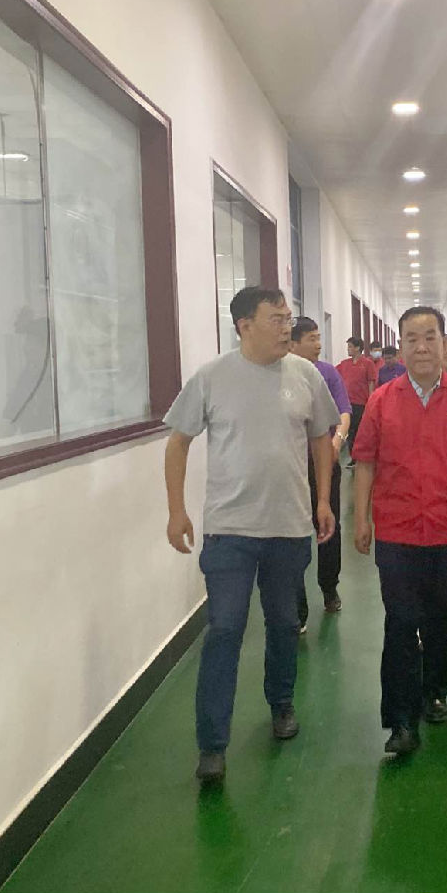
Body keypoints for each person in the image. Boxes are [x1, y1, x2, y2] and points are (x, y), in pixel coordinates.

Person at [163, 287, 341, 783]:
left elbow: (321, 438)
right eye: (276, 319)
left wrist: (323, 500)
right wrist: (176, 510)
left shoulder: (305, 375)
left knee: (284, 622)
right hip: (229, 531)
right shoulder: (212, 377)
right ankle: (212, 744)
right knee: (224, 628)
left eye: (288, 318)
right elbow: (177, 443)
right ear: (244, 325)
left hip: (288, 527)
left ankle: (281, 703)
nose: (288, 327)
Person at [352, 306, 447, 755]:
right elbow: (365, 462)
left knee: (440, 619)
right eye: (412, 338)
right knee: (400, 621)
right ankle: (400, 721)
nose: (421, 347)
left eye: (430, 337)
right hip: (397, 531)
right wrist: (360, 519)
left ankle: (435, 691)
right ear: (400, 347)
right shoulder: (383, 399)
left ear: (445, 343)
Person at [291, 317, 352, 626]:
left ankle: (329, 587)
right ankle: (297, 606)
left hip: (324, 465)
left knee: (328, 526)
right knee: (292, 535)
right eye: (311, 338)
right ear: (293, 343)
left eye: (319, 337)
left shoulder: (327, 373)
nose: (318, 344)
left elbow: (344, 411)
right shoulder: (280, 375)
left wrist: (336, 440)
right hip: (291, 470)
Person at [336, 336, 378, 468]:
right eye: (348, 346)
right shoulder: (344, 364)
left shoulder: (367, 364)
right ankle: (353, 457)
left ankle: (362, 457)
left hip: (361, 403)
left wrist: (370, 401)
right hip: (348, 403)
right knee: (350, 431)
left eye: (350, 346)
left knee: (360, 431)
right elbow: (334, 375)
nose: (348, 349)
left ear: (358, 348)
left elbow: (371, 382)